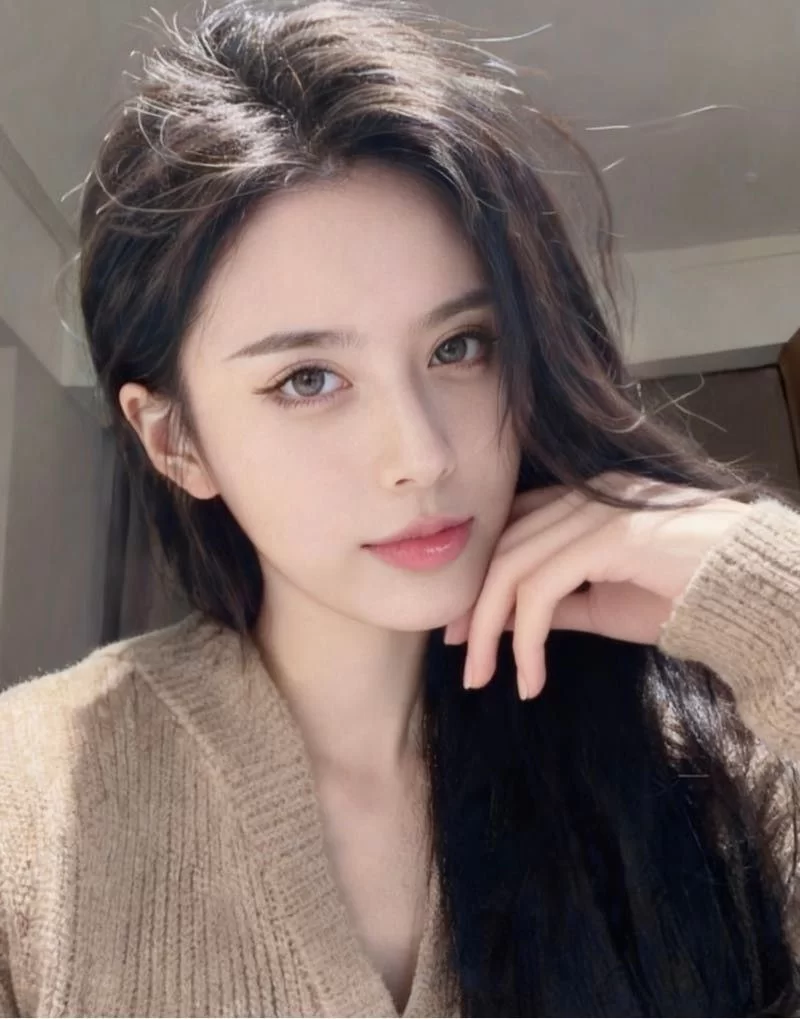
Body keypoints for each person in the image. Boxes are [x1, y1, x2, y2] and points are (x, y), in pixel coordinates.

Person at [2, 0, 800, 1014]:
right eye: (306, 378)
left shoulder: (701, 761)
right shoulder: (30, 800)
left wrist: (775, 595)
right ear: (176, 441)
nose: (421, 455)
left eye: (458, 347)